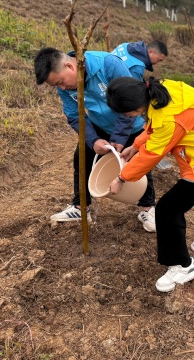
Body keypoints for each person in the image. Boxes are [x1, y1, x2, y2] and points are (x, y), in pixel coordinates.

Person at [106, 77, 194, 292]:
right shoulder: (163, 92)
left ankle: (183, 265)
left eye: (127, 114)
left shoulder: (169, 118)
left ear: (137, 106)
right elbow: (156, 127)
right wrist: (136, 146)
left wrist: (122, 178)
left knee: (167, 210)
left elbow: (152, 155)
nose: (127, 117)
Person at [33, 48, 157, 231]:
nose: (62, 88)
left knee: (138, 162)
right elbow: (74, 115)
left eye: (60, 82)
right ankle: (80, 207)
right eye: (56, 86)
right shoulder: (66, 87)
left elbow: (131, 100)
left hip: (130, 122)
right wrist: (93, 140)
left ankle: (148, 208)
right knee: (81, 158)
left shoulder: (107, 64)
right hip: (100, 124)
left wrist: (119, 137)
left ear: (69, 66)